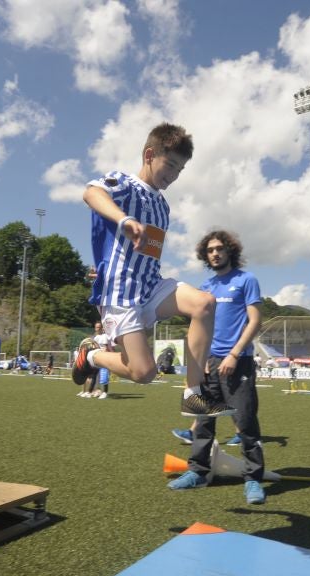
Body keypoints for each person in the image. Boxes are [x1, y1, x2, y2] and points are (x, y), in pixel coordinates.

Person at [71, 122, 233, 419]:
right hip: (122, 294)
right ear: (149, 155)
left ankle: (192, 395)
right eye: (169, 165)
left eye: (179, 170)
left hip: (152, 286)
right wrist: (123, 220)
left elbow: (148, 251)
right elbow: (91, 193)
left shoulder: (163, 206)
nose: (173, 176)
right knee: (144, 372)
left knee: (205, 303)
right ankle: (91, 355)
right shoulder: (124, 183)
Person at [167, 230, 266, 504]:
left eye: (220, 248)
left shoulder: (247, 280)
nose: (215, 253)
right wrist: (201, 360)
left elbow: (255, 321)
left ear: (229, 251)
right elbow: (198, 327)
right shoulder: (206, 286)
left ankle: (253, 479)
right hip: (208, 362)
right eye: (210, 249)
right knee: (202, 419)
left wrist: (234, 354)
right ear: (205, 255)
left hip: (238, 360)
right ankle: (197, 472)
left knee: (245, 422)